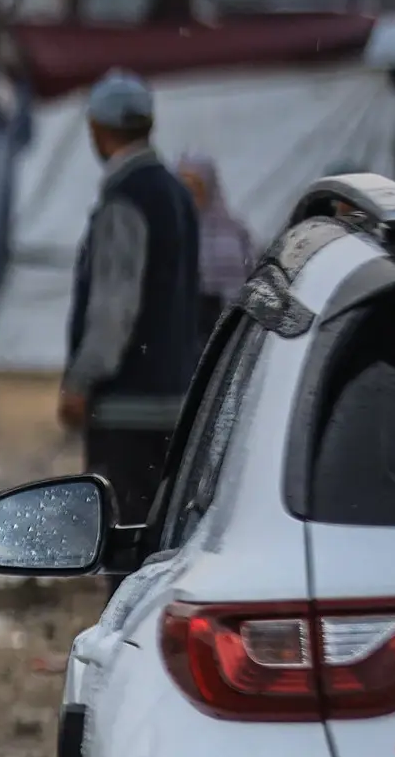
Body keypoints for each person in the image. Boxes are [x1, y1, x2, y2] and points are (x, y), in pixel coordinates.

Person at [60, 72, 204, 524]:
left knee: (123, 540)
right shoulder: (179, 194)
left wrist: (82, 381)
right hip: (174, 398)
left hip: (127, 408)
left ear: (98, 130)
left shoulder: (125, 200)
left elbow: (113, 307)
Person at [176, 151, 255, 341]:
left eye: (196, 187)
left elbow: (253, 277)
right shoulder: (171, 235)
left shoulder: (235, 232)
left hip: (233, 331)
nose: (190, 196)